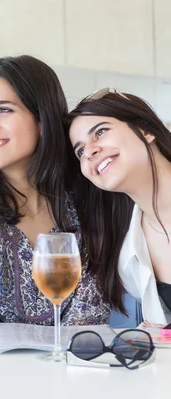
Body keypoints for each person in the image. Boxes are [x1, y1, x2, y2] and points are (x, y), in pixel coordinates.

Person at [0, 55, 111, 326]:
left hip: (69, 364)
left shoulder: (87, 201)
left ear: (42, 120)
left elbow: (88, 320)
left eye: (3, 110)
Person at [68, 88, 171, 324]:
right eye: (80, 151)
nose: (90, 152)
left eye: (101, 132)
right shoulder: (129, 255)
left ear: (145, 130)